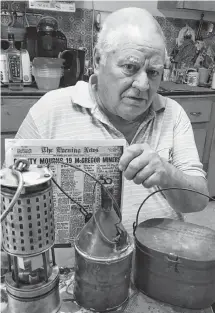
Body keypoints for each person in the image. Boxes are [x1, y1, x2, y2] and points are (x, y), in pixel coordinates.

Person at [11, 7, 208, 235]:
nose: (143, 85)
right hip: (78, 263)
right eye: (130, 67)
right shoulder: (49, 112)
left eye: (153, 72)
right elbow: (12, 203)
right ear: (98, 59)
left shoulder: (173, 114)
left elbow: (198, 202)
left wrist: (167, 174)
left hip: (156, 258)